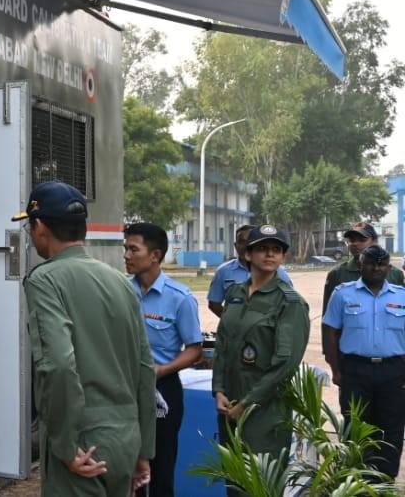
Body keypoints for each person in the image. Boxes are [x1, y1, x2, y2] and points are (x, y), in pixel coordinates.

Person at [16, 181, 155, 497]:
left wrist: (65, 447)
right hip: (126, 438)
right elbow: (145, 368)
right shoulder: (119, 282)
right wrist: (143, 449)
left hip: (83, 443)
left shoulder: (46, 280)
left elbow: (59, 365)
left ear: (39, 227)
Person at [212, 225, 309, 490]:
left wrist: (247, 403)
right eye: (263, 248)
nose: (270, 254)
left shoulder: (290, 302)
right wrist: (218, 389)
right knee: (234, 482)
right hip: (229, 404)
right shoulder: (235, 294)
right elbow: (223, 345)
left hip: (264, 409)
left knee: (262, 484)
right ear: (248, 254)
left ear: (283, 257)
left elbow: (285, 365)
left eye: (276, 250)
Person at [122, 222, 202, 497]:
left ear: (155, 255)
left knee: (160, 469)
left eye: (134, 249)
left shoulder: (180, 298)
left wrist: (161, 370)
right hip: (124, 389)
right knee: (124, 466)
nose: (127, 255)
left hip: (162, 391)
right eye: (126, 249)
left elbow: (194, 349)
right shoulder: (120, 291)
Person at [322, 244, 405, 482]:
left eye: (381, 264)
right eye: (370, 263)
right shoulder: (343, 293)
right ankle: (357, 481)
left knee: (391, 428)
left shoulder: (402, 296)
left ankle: (384, 482)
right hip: (356, 371)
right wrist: (336, 369)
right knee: (355, 426)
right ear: (360, 265)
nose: (376, 268)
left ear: (389, 267)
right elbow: (331, 332)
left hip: (393, 372)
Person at [208, 225, 293, 317]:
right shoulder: (223, 271)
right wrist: (230, 322)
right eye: (242, 242)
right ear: (236, 246)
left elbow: (290, 307)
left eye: (250, 242)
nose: (245, 246)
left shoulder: (279, 273)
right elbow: (214, 303)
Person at [322, 222, 405, 314]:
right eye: (352, 240)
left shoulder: (395, 274)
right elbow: (328, 316)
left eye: (362, 240)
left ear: (374, 241)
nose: (355, 244)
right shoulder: (337, 274)